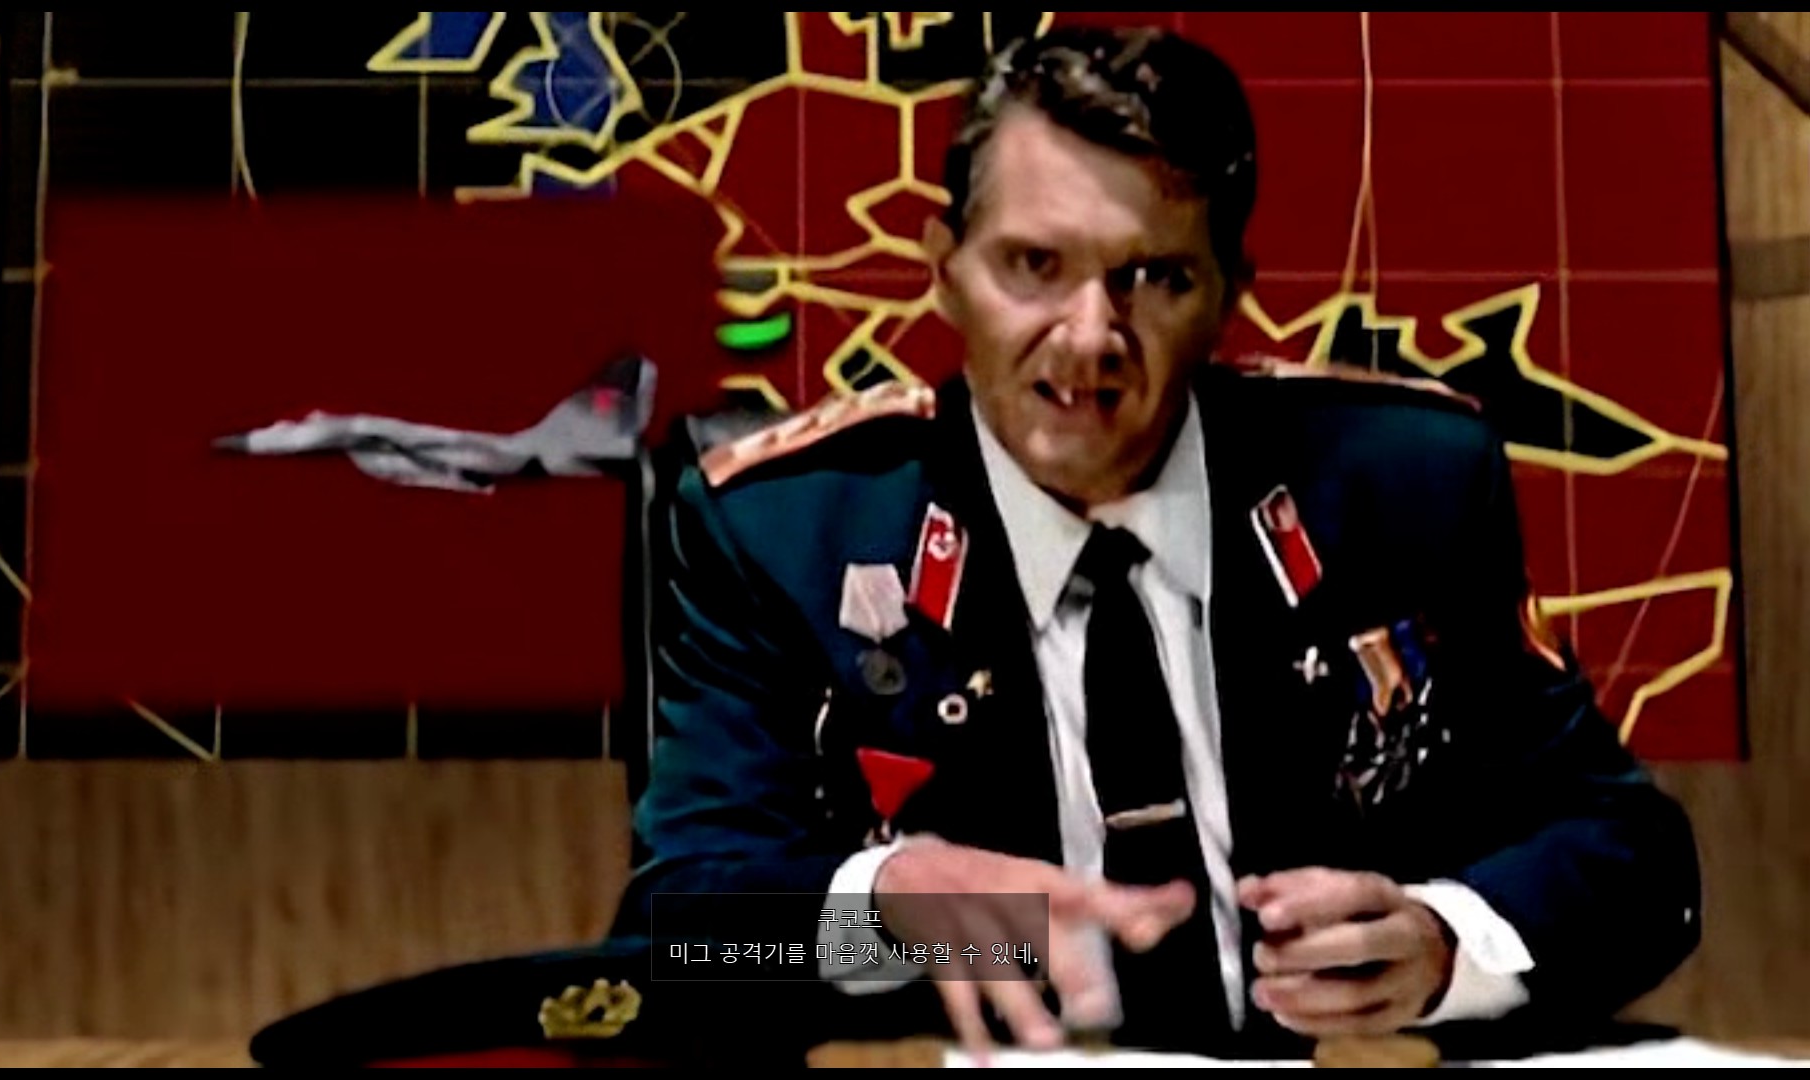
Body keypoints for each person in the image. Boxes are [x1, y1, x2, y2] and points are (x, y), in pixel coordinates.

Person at [618, 26, 1701, 1059]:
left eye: (1158, 278)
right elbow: (679, 939)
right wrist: (884, 912)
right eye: (1034, 264)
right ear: (944, 269)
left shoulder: (1402, 485)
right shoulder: (785, 534)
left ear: (1230, 294)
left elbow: (1636, 861)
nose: (1090, 337)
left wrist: (1447, 941)